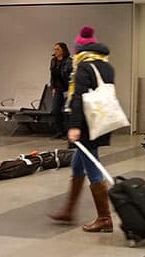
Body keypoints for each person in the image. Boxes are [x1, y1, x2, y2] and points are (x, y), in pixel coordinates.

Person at [49, 26, 114, 233]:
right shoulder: (106, 65)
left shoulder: (83, 67)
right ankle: (69, 210)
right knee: (78, 166)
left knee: (93, 169)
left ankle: (105, 218)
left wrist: (75, 126)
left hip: (86, 125)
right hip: (100, 120)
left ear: (80, 49)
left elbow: (79, 97)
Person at [49, 42, 72, 139]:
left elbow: (71, 76)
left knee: (66, 111)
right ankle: (59, 131)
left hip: (67, 88)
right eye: (54, 49)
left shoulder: (69, 61)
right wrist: (53, 87)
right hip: (58, 89)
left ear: (63, 50)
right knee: (55, 110)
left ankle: (68, 132)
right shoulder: (53, 61)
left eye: (57, 49)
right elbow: (52, 76)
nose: (55, 51)